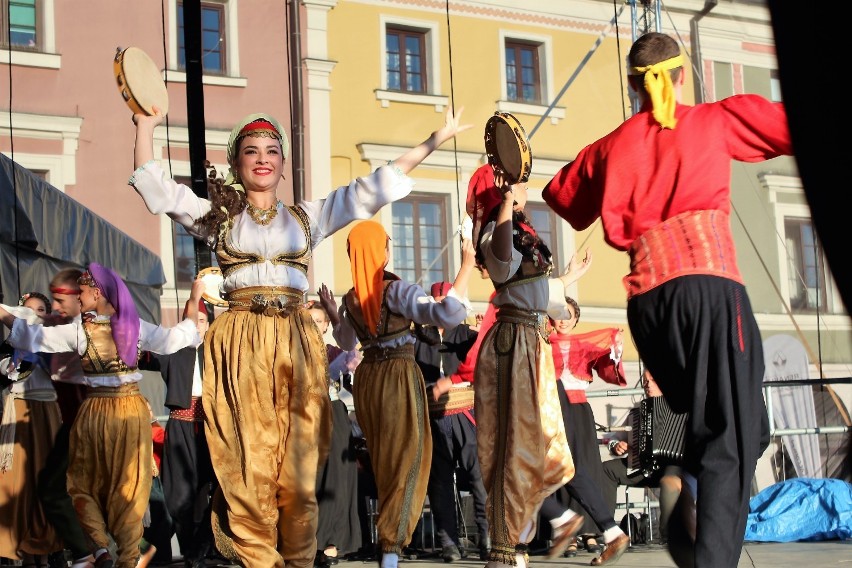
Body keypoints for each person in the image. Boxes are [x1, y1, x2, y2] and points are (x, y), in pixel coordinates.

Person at [130, 105, 470, 568]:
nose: (263, 158)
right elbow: (157, 188)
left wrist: (434, 140)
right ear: (235, 164)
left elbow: (368, 191)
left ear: (284, 165)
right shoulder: (218, 217)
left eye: (272, 150)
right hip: (241, 344)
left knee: (299, 472)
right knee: (249, 467)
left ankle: (297, 559)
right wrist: (146, 122)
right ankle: (259, 558)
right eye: (251, 151)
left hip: (295, 341)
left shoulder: (306, 218)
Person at [542, 31, 787, 567]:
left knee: (707, 426)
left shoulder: (612, 145)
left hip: (649, 304)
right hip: (708, 284)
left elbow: (560, 196)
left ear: (632, 84)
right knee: (738, 432)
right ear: (682, 75)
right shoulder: (711, 120)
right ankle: (709, 555)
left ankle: (679, 489)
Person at [0, 263, 205, 568]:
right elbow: (178, 337)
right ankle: (123, 553)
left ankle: (99, 550)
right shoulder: (136, 326)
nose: (78, 298)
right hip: (131, 413)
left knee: (82, 485)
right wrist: (193, 301)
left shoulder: (81, 330)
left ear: (96, 293)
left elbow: (30, 337)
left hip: (96, 414)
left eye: (81, 292)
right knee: (126, 487)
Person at [465, 164, 592, 568]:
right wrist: (502, 202)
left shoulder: (523, 228)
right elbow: (502, 265)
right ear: (497, 188)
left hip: (532, 344)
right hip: (512, 346)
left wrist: (568, 279)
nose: (522, 185)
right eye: (513, 181)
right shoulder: (494, 227)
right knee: (513, 446)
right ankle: (505, 548)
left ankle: (519, 544)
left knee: (536, 444)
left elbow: (534, 292)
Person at [332, 221, 476, 568]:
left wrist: (331, 309)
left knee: (385, 462)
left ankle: (390, 545)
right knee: (410, 459)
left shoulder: (351, 298)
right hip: (397, 376)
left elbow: (345, 342)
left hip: (368, 380)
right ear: (381, 252)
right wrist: (466, 267)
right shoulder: (395, 292)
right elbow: (448, 313)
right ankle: (391, 549)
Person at [414, 281, 489, 563]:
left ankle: (487, 538)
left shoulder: (467, 334)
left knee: (479, 476)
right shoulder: (419, 338)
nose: (443, 306)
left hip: (467, 412)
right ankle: (449, 543)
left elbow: (485, 360)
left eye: (448, 301)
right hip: (434, 416)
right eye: (438, 301)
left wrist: (484, 334)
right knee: (440, 481)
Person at [548, 296, 627, 558]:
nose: (563, 319)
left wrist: (616, 345)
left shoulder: (585, 343)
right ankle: (567, 532)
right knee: (562, 467)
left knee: (586, 467)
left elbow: (607, 365)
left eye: (568, 314)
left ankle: (591, 531)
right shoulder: (545, 343)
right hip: (555, 407)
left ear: (576, 318)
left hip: (579, 409)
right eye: (559, 313)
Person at [146, 298, 216, 568]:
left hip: (212, 428)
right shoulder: (173, 350)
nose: (197, 326)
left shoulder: (217, 352)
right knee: (178, 495)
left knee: (219, 489)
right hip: (180, 426)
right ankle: (189, 550)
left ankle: (203, 545)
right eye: (191, 321)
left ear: (208, 325)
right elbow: (143, 355)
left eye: (201, 320)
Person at [36, 269, 98, 568]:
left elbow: (37, 332)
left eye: (60, 300)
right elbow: (34, 319)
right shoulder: (64, 322)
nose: (55, 307)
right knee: (74, 488)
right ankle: (96, 551)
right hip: (73, 419)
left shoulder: (81, 330)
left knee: (56, 488)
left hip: (83, 419)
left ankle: (93, 552)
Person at [0, 293, 65, 567]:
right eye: (27, 311)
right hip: (20, 409)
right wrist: (21, 357)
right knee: (16, 481)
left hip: (48, 412)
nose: (33, 314)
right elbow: (6, 370)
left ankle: (52, 546)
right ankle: (21, 548)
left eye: (40, 310)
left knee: (48, 480)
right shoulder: (9, 347)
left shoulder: (56, 342)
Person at [307, 290, 362, 567]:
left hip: (333, 413)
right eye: (311, 320)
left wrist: (335, 311)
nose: (316, 325)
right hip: (304, 416)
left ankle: (332, 543)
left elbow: (353, 354)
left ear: (326, 325)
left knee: (338, 479)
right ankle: (308, 542)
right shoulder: (295, 350)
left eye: (320, 321)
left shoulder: (335, 351)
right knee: (310, 479)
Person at [600, 369, 683, 541]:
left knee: (671, 477)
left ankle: (668, 534)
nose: (647, 384)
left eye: (653, 380)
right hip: (641, 468)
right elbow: (614, 437)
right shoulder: (638, 411)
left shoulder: (680, 407)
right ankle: (608, 530)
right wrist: (616, 445)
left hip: (671, 469)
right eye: (645, 381)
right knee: (607, 469)